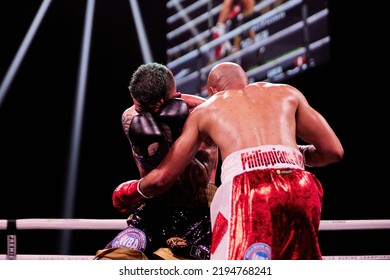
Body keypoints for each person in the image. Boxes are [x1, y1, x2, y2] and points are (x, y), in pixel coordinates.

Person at [117, 62, 344, 260]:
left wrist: (129, 192)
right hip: (302, 185)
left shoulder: (207, 108)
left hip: (250, 191)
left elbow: (163, 178)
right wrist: (292, 154)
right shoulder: (287, 92)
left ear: (212, 90)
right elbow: (334, 151)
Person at [95, 63, 218, 260]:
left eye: (147, 110)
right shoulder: (132, 117)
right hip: (156, 206)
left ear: (162, 102)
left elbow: (197, 183)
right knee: (111, 261)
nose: (142, 114)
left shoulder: (204, 113)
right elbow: (149, 176)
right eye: (139, 108)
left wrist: (175, 134)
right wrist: (147, 151)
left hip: (199, 208)